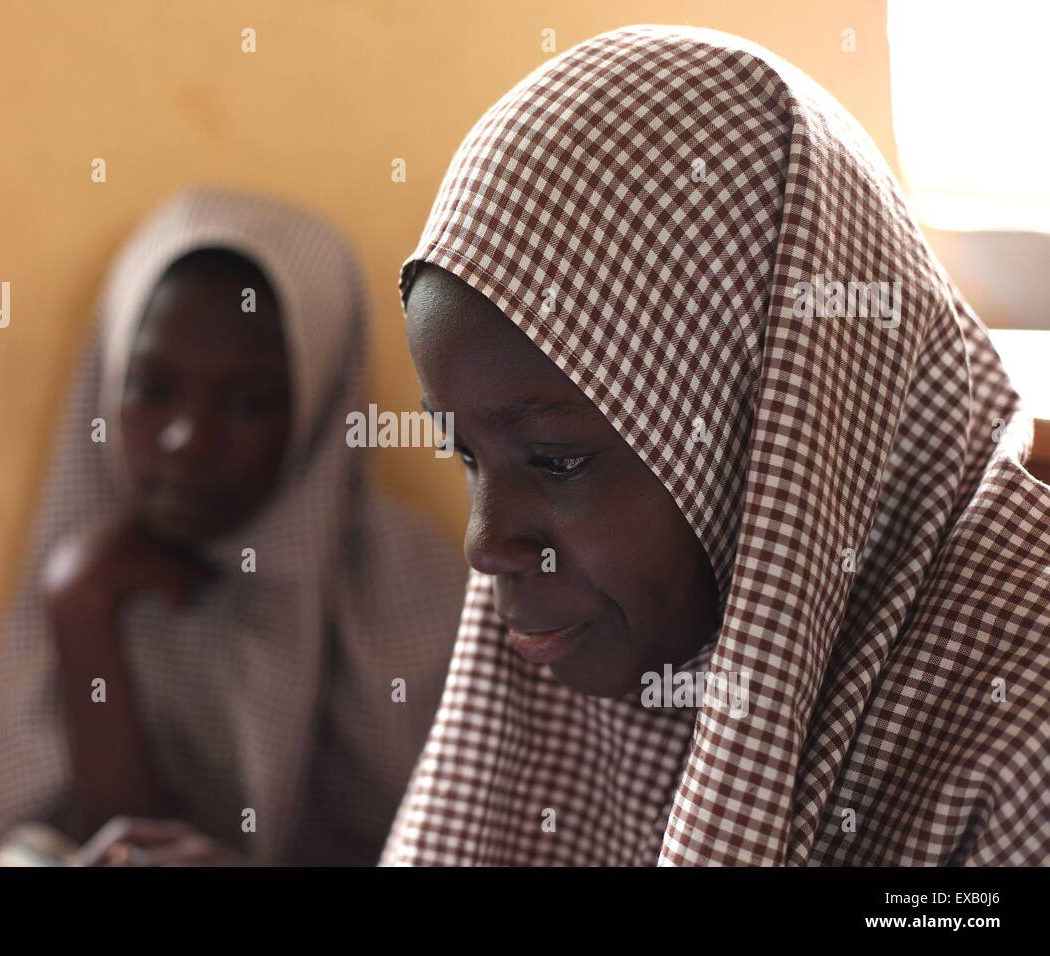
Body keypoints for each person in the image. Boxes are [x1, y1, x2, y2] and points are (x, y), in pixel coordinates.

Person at [383, 26, 1050, 865]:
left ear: (775, 426)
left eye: (556, 460)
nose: (483, 545)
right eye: (466, 455)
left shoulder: (1024, 732)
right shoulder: (601, 645)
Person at [0, 188, 464, 866]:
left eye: (251, 401)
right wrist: (82, 613)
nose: (188, 440)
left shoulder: (416, 593)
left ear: (320, 401)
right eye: (151, 387)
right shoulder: (97, 568)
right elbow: (125, 852)